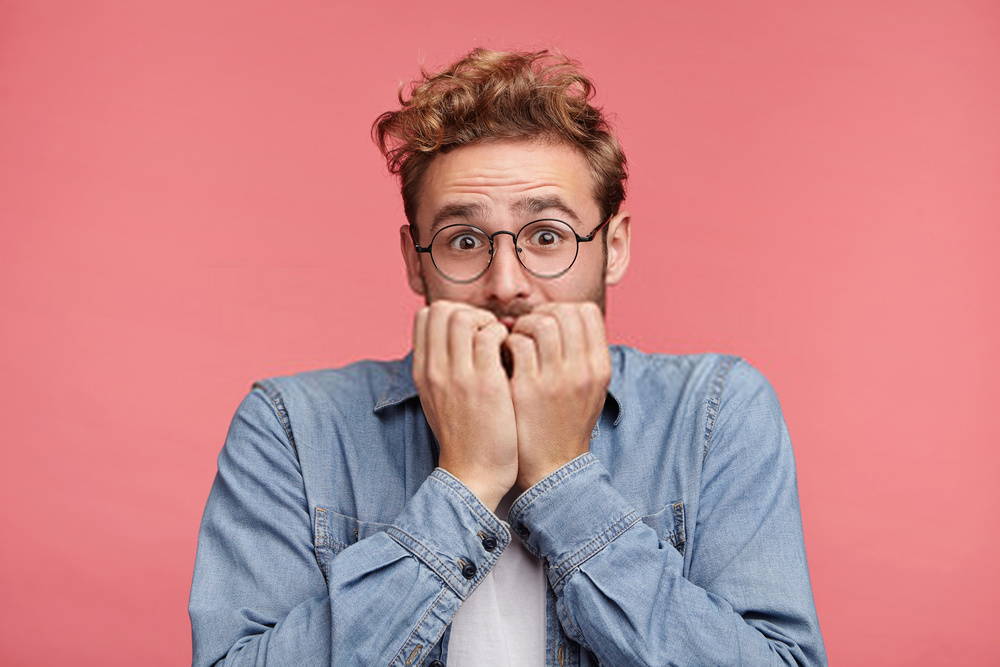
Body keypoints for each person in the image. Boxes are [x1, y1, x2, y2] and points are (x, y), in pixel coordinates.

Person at [188, 47, 828, 666]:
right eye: (463, 239)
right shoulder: (293, 425)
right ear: (416, 262)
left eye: (546, 236)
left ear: (615, 248)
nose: (505, 283)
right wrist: (464, 485)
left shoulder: (715, 410)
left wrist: (561, 481)